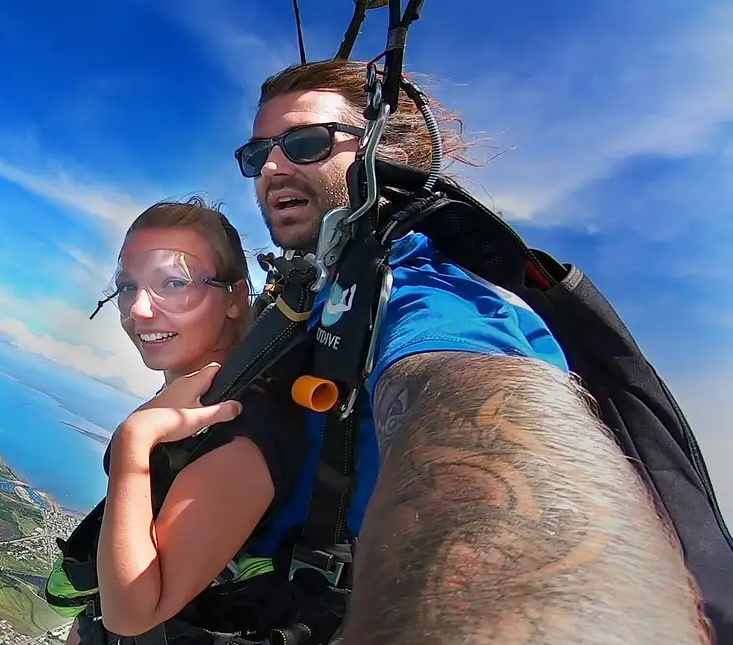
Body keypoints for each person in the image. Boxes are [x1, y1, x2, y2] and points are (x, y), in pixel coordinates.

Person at [231, 60, 712, 644]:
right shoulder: (325, 285)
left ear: (389, 155)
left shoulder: (429, 290)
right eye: (257, 156)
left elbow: (472, 403)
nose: (273, 167)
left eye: (305, 143)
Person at [57, 197, 311, 644]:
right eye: (128, 287)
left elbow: (134, 613)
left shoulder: (242, 428)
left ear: (234, 296)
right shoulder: (199, 398)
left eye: (173, 283)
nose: (137, 310)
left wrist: (133, 441)